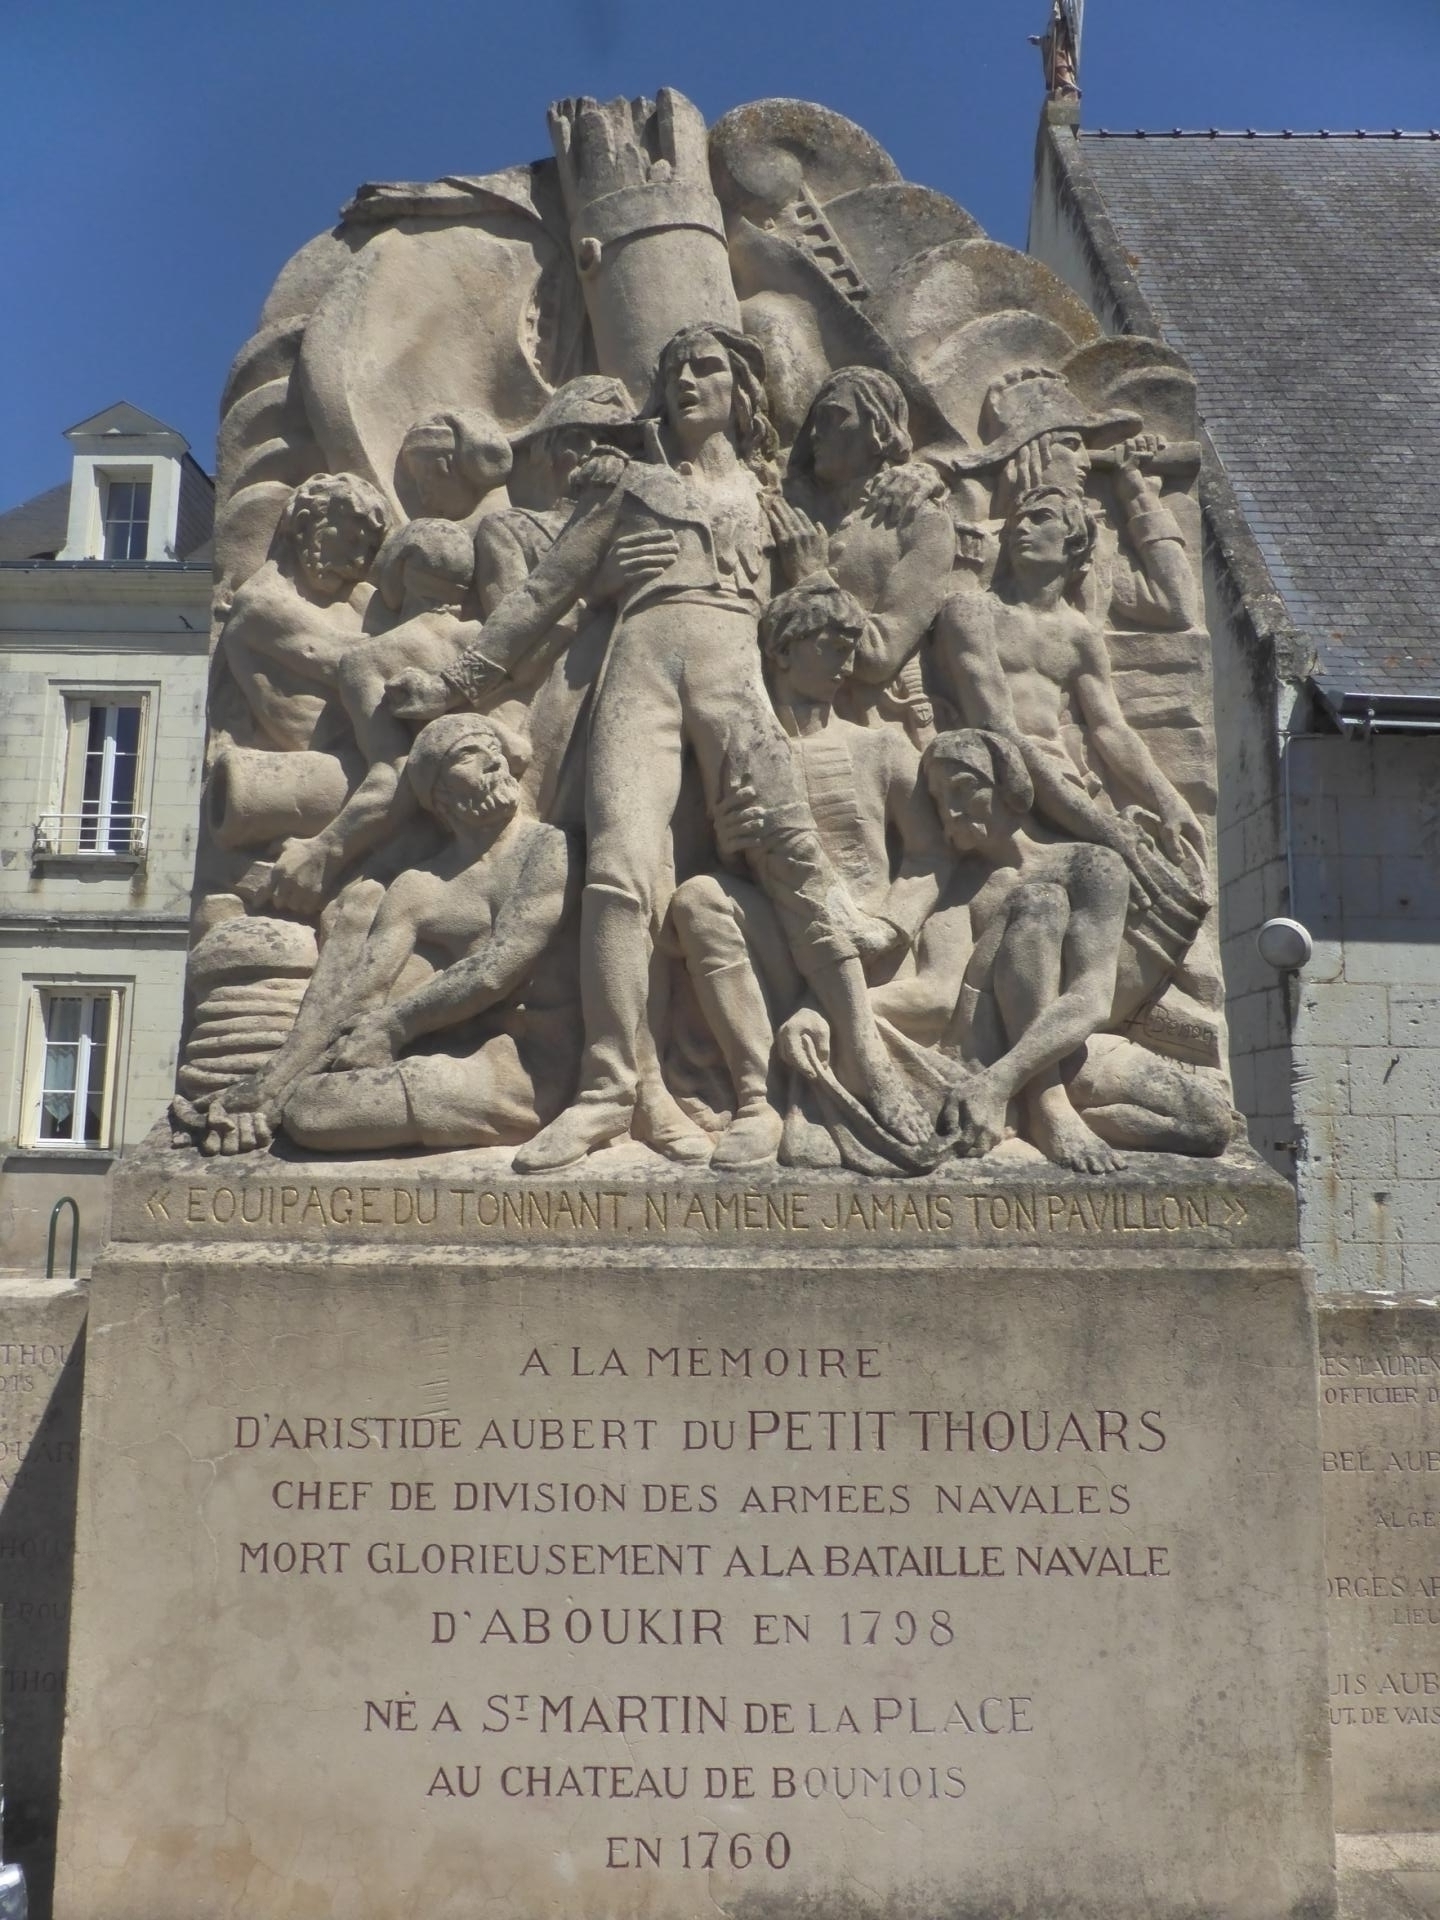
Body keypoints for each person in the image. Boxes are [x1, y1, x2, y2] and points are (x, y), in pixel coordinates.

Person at [389, 324, 930, 1171]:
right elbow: (542, 593)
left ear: (742, 392)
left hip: (735, 667)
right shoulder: (631, 485)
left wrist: (816, 564)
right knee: (618, 869)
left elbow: (840, 631)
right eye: (673, 368)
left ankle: (859, 1052)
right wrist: (457, 684)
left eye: (705, 366)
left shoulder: (774, 499)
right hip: (639, 665)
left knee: (792, 856)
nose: (686, 380)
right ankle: (608, 1093)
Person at [206, 714, 579, 1156]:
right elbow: (358, 993)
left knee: (312, 1116)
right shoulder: (420, 887)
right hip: (444, 1053)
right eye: (468, 755)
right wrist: (267, 1088)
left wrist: (394, 1025)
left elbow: (499, 967)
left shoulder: (549, 848)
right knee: (310, 1107)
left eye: (493, 749)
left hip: (526, 1067)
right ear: (438, 795)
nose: (493, 761)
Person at [668, 578, 947, 1167]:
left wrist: (892, 926)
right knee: (696, 897)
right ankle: (754, 1099)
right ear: (783, 650)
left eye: (852, 650)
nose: (847, 665)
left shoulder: (883, 748)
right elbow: (720, 863)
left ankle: (863, 1054)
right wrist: (727, 845)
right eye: (832, 646)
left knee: (813, 892)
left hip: (866, 942)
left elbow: (932, 855)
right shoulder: (732, 752)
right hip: (781, 947)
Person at [915, 729, 1231, 1172]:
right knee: (1039, 902)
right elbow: (938, 993)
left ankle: (1033, 1105)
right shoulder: (959, 891)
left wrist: (1000, 1081)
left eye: (964, 788)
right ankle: (1047, 1109)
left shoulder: (1090, 865)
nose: (950, 809)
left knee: (1211, 1125)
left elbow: (1090, 999)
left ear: (1009, 786)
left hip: (1058, 1050)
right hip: (985, 1049)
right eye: (938, 799)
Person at [931, 479, 1209, 981]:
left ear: (1075, 541)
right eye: (1018, 517)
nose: (1021, 526)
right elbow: (996, 725)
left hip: (1066, 784)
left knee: (1160, 897)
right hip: (999, 784)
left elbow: (1109, 728)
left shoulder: (1078, 633)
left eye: (1041, 518)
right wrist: (1107, 829)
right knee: (1112, 871)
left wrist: (1169, 800)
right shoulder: (971, 610)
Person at [783, 366, 955, 737]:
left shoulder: (921, 521)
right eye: (815, 420)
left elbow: (879, 655)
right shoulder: (797, 505)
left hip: (871, 729)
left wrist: (811, 580)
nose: (816, 433)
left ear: (877, 428)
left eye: (834, 416)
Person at [217, 471, 391, 756]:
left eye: (369, 549)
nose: (360, 561)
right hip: (333, 759)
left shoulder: (353, 596)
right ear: (303, 526)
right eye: (351, 540)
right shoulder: (262, 604)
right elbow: (357, 666)